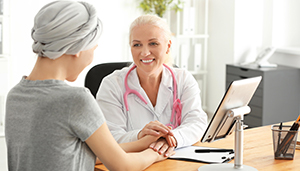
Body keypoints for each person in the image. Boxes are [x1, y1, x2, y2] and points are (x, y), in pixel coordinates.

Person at [5, 1, 174, 171]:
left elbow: (82, 153)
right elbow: (123, 166)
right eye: (93, 49)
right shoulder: (75, 100)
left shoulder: (15, 96)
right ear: (78, 47)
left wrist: (141, 144)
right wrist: (158, 152)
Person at [97, 15, 208, 154]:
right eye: (137, 45)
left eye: (153, 43)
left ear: (168, 46)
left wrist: (170, 139)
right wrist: (140, 136)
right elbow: (109, 137)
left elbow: (197, 123)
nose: (145, 52)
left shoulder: (183, 79)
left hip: (174, 161)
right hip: (131, 163)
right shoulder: (112, 85)